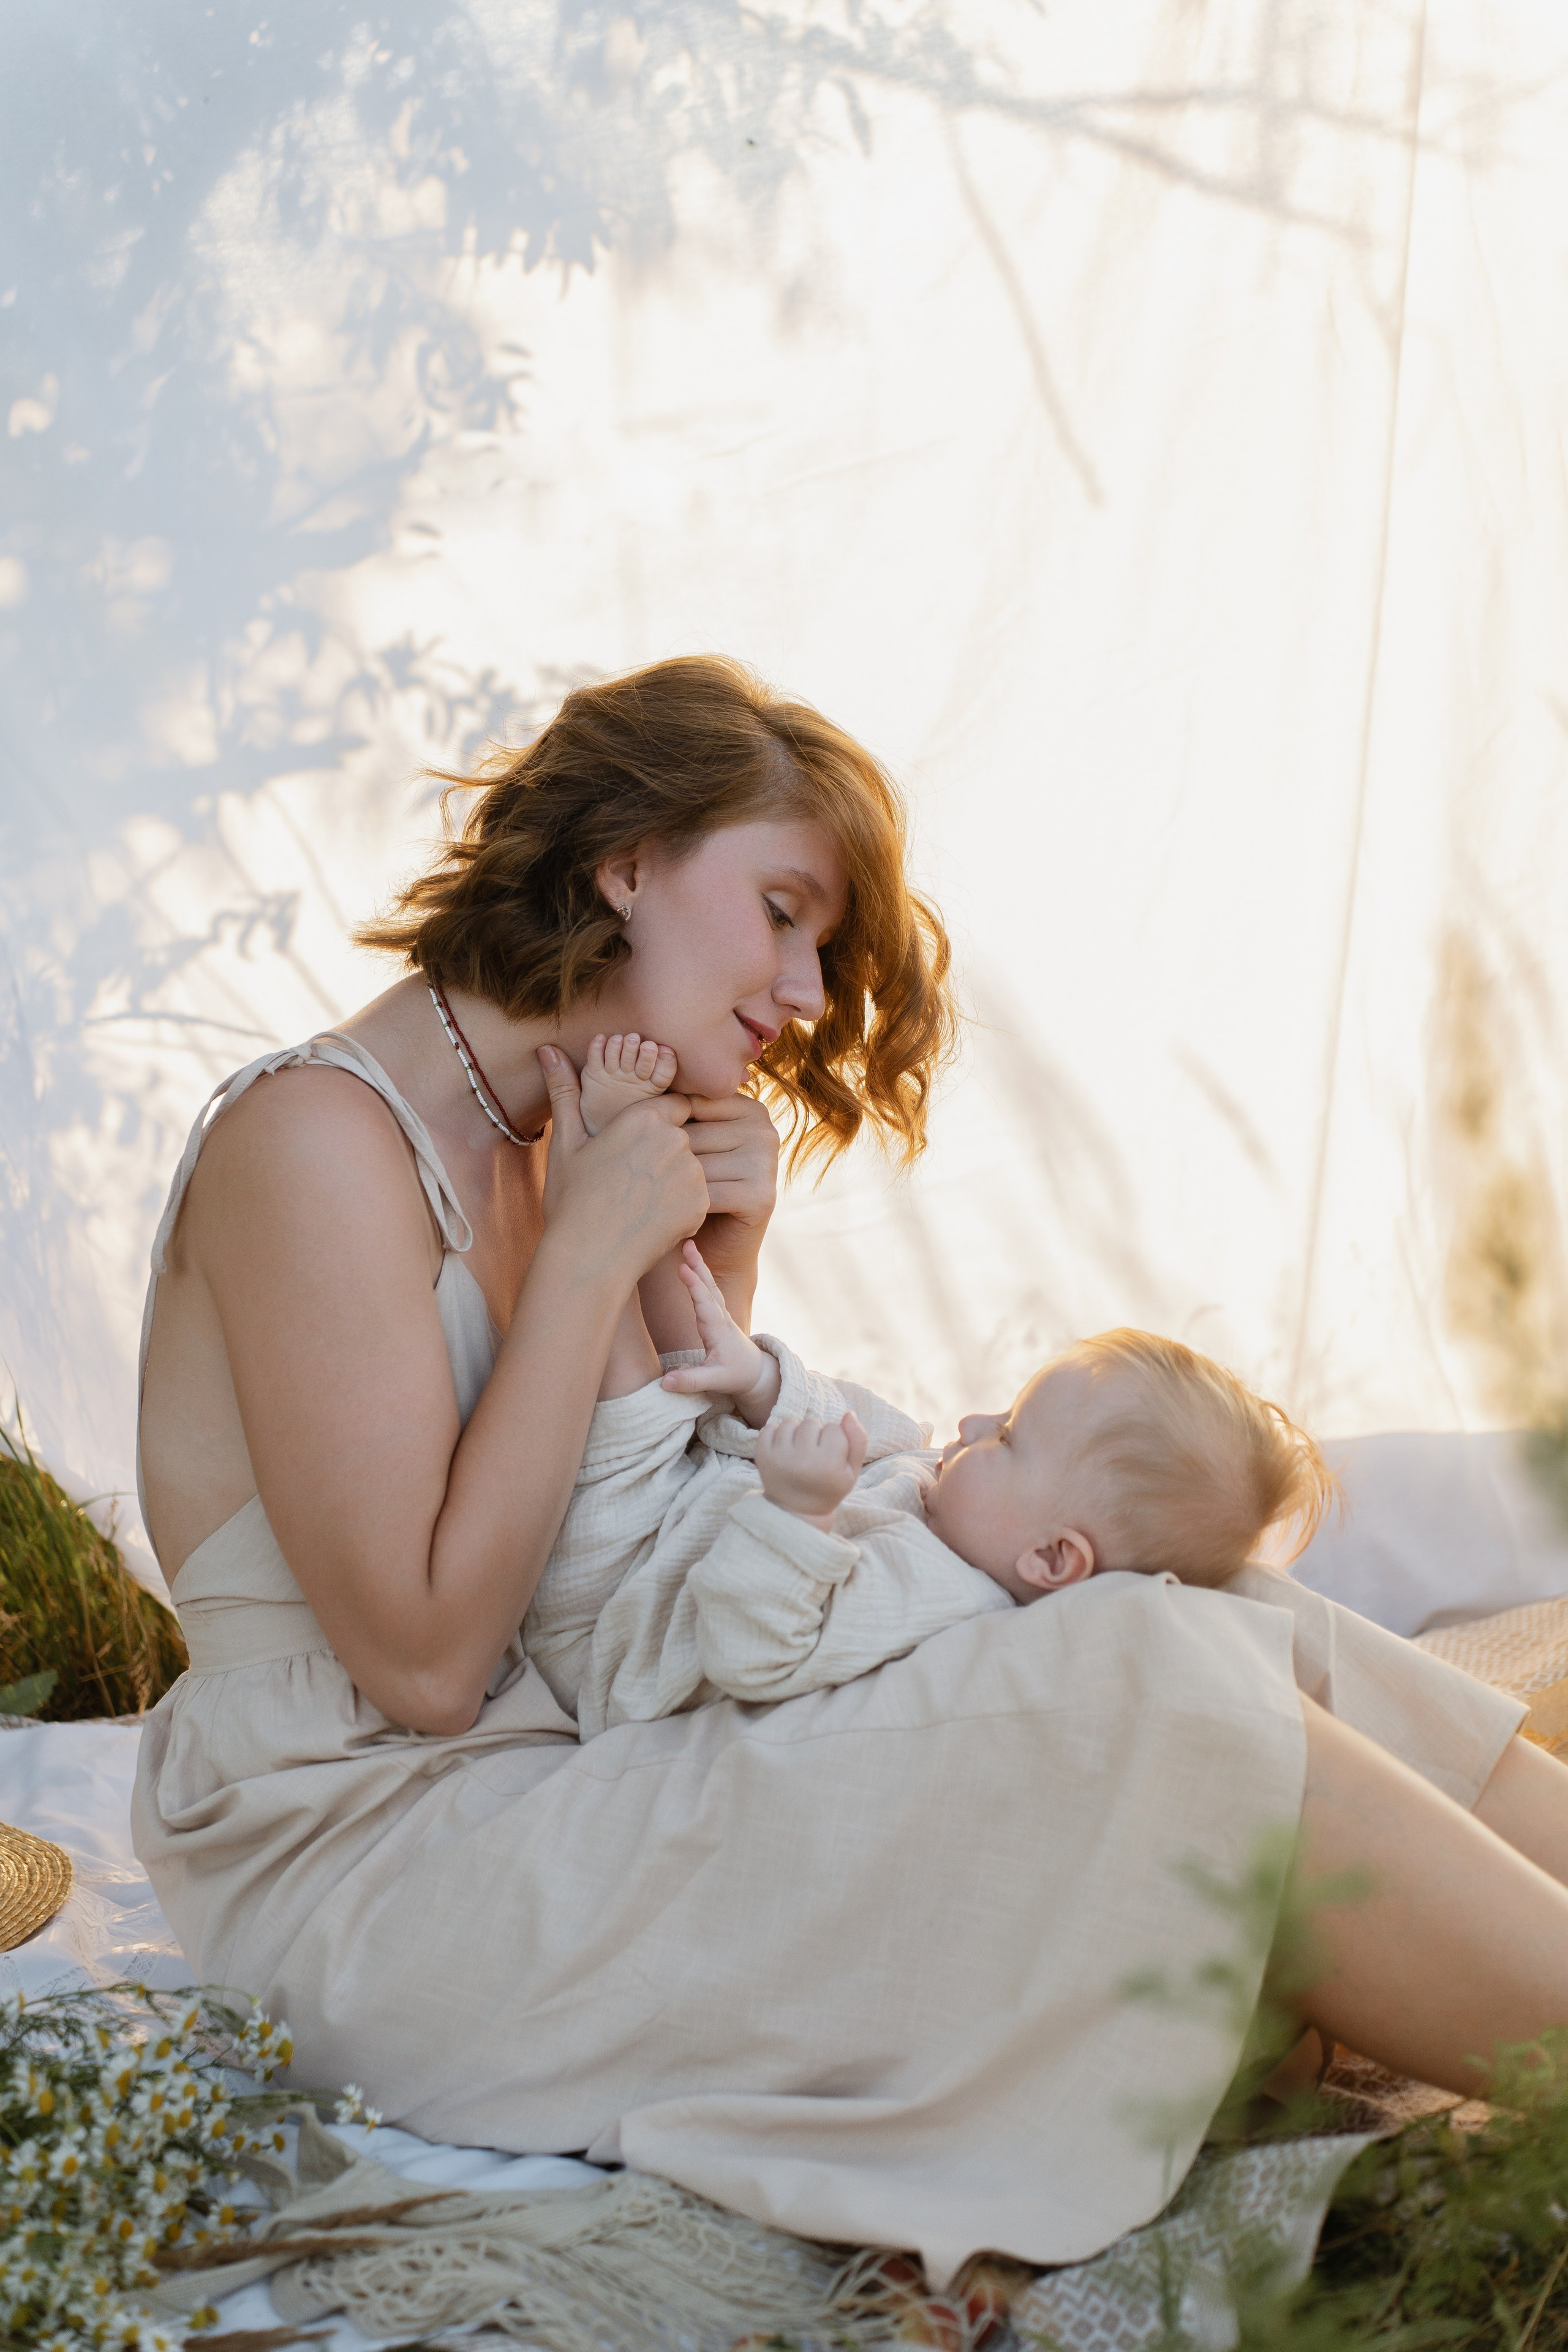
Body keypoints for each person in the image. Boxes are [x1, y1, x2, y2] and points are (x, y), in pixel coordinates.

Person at [132, 655, 1568, 2293]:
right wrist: (597, 1260)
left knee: (1219, 1605)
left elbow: (638, 1556)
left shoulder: (559, 1138)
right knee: (1151, 1683)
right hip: (385, 1869)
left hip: (577, 1760)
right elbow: (427, 1665)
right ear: (625, 862)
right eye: (783, 913)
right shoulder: (318, 1141)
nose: (807, 991)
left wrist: (708, 1270)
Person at [522, 1182, 1336, 1735]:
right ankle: (616, 1178)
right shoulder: (957, 1505)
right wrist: (762, 1381)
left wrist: (797, 1516)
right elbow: (866, 1429)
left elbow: (754, 1650)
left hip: (611, 1620)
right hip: (670, 1525)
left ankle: (584, 1182)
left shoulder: (932, 1598)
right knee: (680, 1341)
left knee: (621, 1342)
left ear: (1053, 1558)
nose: (973, 1422)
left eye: (1007, 1437)